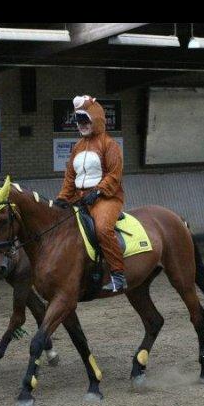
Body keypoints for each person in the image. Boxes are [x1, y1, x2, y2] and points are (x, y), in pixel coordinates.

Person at [55, 95, 127, 292]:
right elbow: (70, 176)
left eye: (85, 120)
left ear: (95, 120)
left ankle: (118, 274)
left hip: (107, 198)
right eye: (78, 121)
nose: (82, 125)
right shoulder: (77, 147)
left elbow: (114, 175)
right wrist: (62, 198)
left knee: (103, 228)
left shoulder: (110, 144)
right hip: (79, 198)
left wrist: (98, 192)